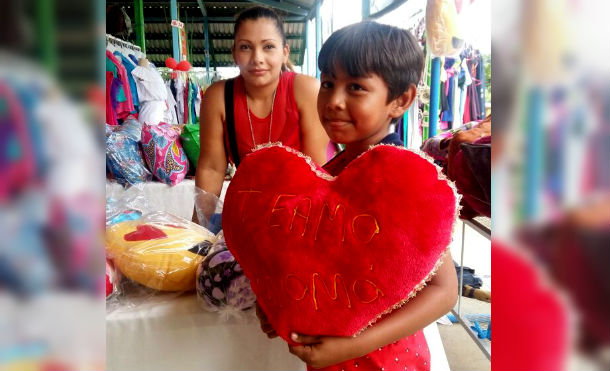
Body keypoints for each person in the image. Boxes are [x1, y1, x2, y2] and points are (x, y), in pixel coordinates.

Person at [256, 21, 458, 371]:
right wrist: (275, 303)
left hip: (388, 361)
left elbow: (444, 291)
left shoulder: (403, 184)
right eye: (328, 83)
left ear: (401, 99)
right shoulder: (328, 174)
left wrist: (352, 344)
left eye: (356, 87)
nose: (333, 101)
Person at [194, 6, 329, 225]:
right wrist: (197, 229)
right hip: (248, 214)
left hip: (301, 215)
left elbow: (317, 172)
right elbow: (211, 168)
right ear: (234, 53)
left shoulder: (305, 90)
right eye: (246, 47)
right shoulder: (218, 97)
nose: (257, 58)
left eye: (268, 47)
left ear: (284, 52)